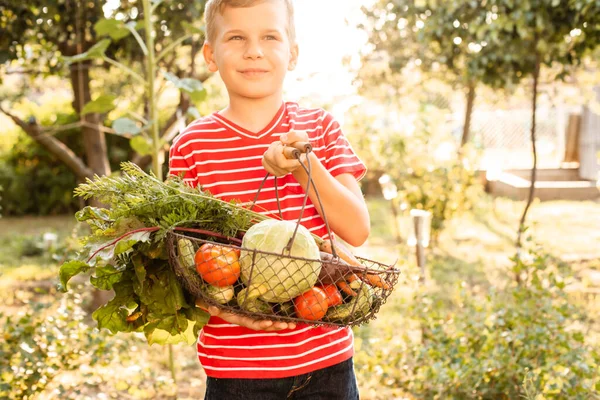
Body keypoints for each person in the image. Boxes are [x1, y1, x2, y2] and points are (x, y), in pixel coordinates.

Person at [168, 0, 370, 398]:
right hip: (236, 369)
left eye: (270, 37)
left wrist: (302, 164)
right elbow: (182, 254)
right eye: (237, 37)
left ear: (292, 53)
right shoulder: (193, 145)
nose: (254, 50)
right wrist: (220, 306)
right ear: (211, 55)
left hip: (326, 360)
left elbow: (357, 229)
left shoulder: (320, 129)